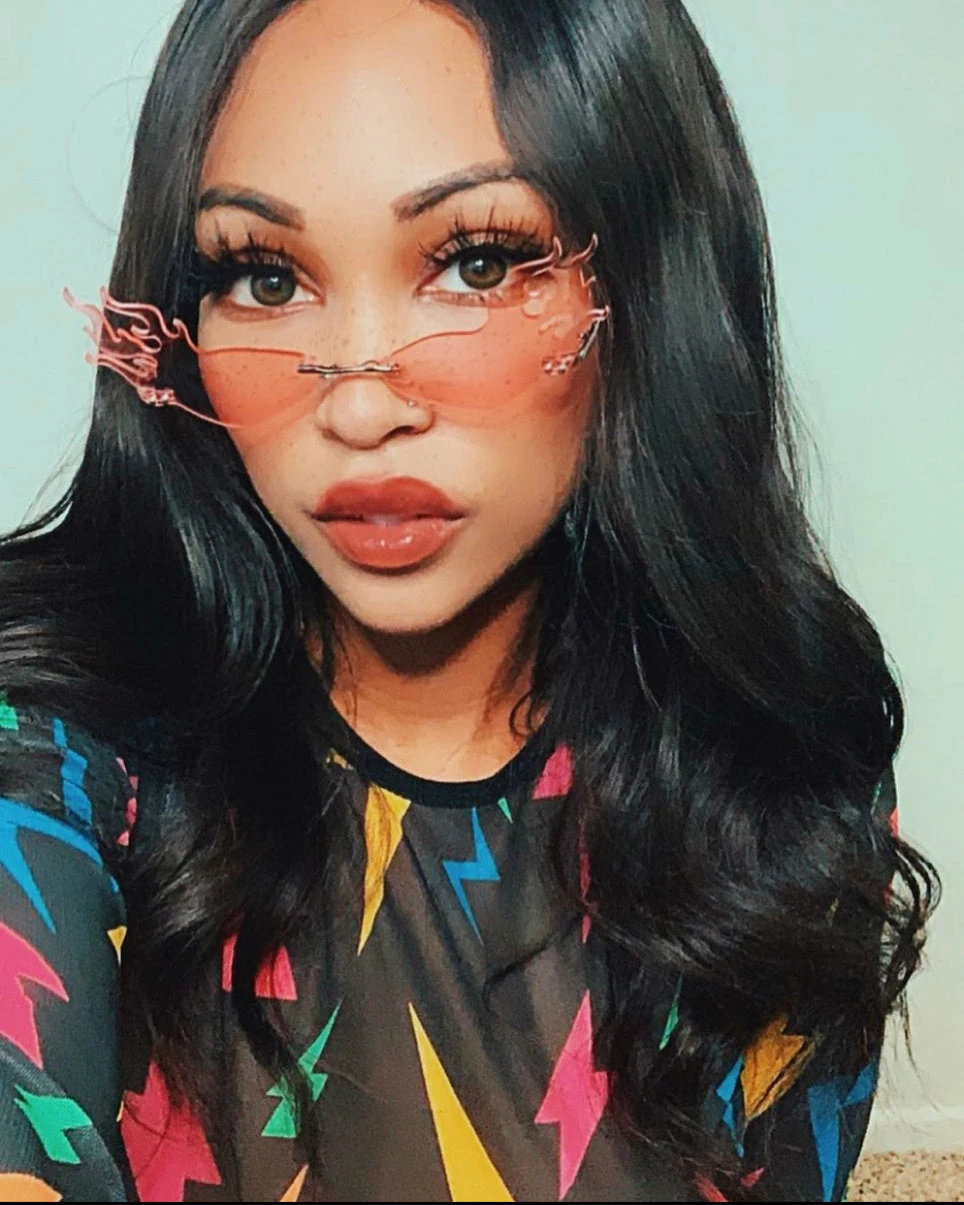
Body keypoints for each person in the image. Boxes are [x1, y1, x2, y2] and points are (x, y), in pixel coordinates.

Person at [0, 0, 938, 1200]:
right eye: (264, 277)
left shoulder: (780, 758)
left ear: (646, 291)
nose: (359, 404)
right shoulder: (61, 738)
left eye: (477, 263)